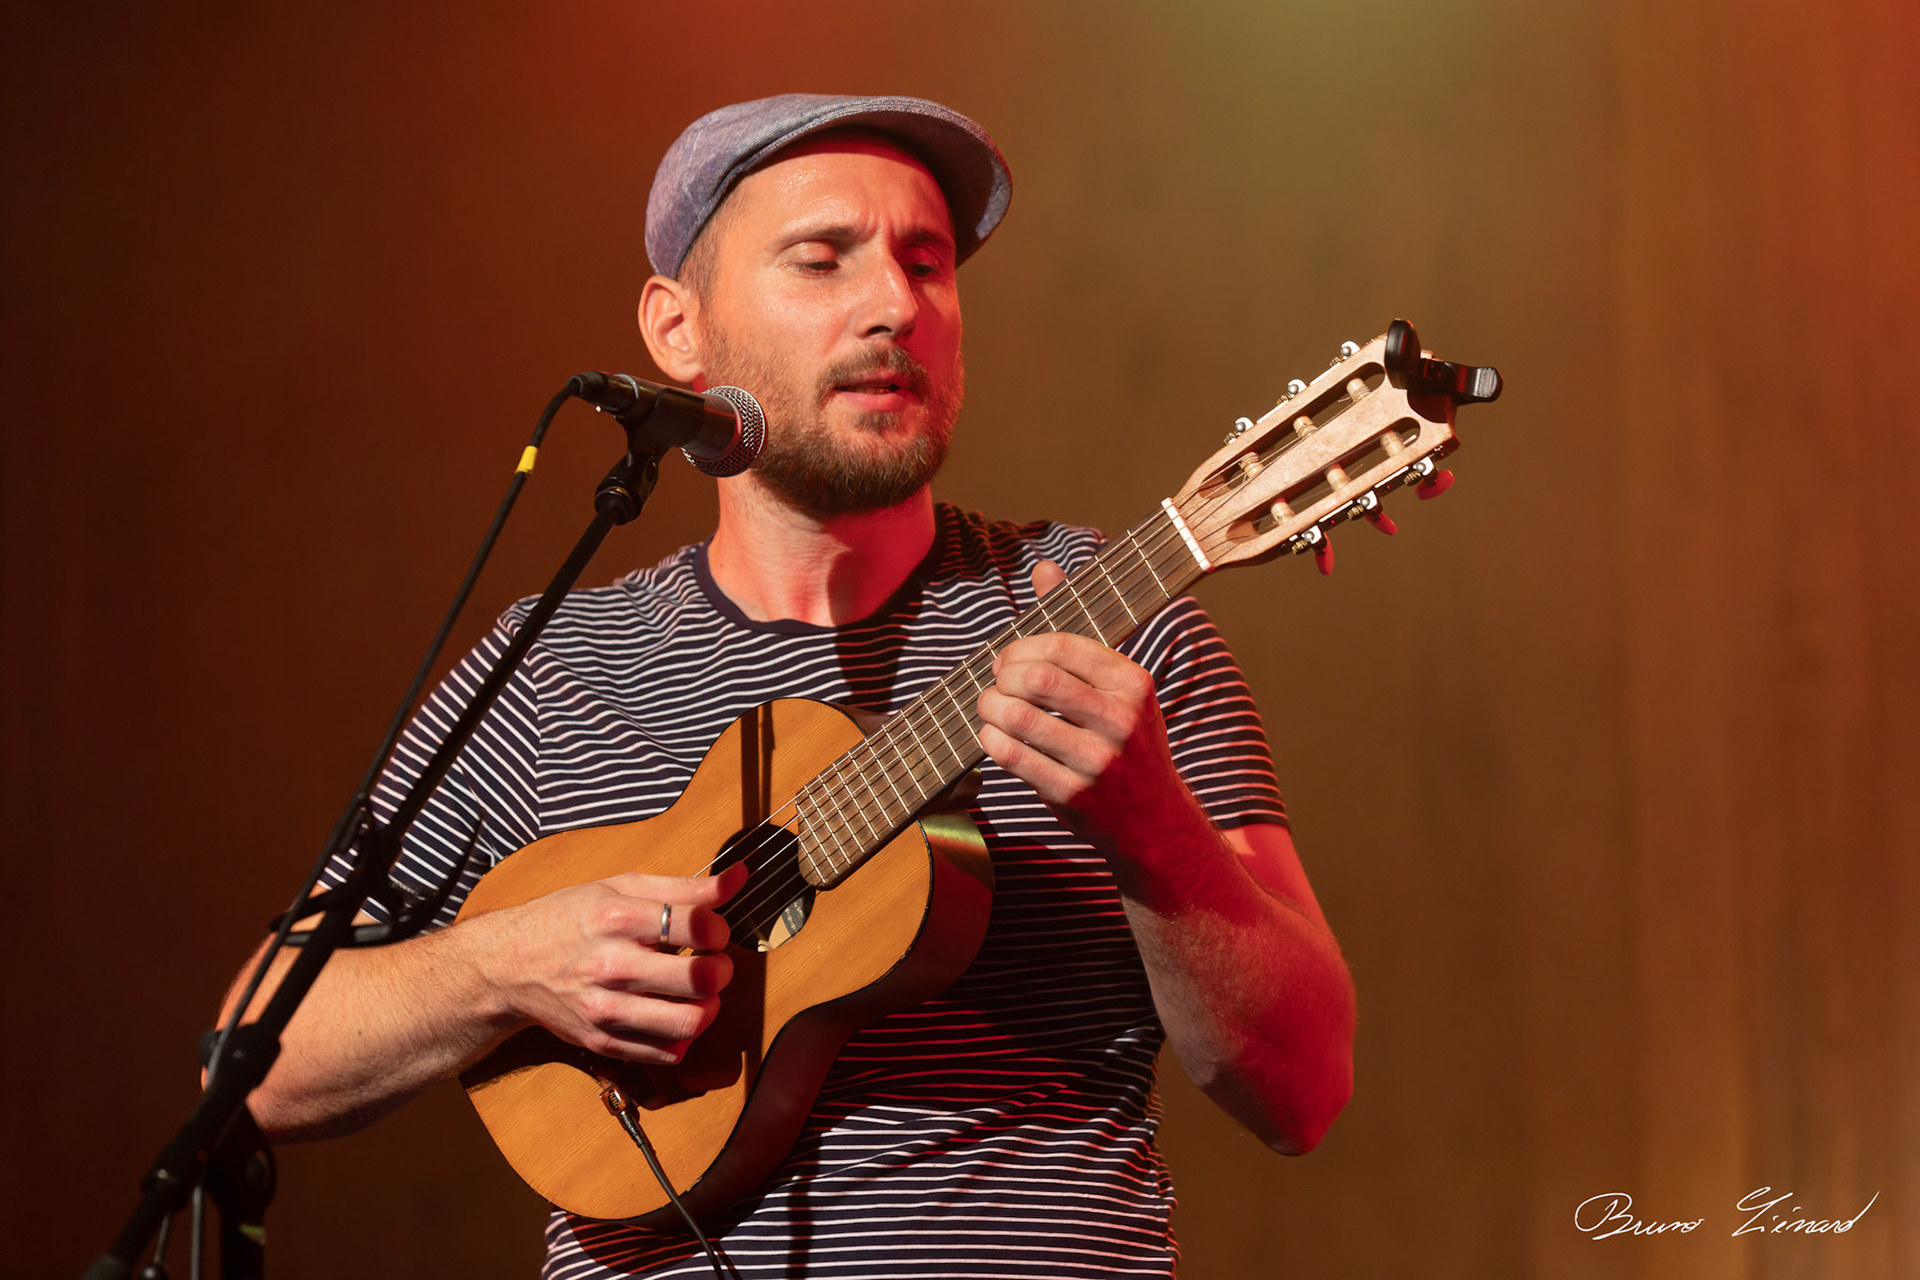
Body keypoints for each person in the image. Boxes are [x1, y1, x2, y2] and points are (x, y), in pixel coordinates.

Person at [221, 93, 1355, 1278]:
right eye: (823, 259)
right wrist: (508, 964)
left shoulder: (1113, 631)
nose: (894, 306)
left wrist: (1152, 828)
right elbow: (253, 1052)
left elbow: (1307, 1087)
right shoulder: (557, 667)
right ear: (678, 329)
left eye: (928, 264)